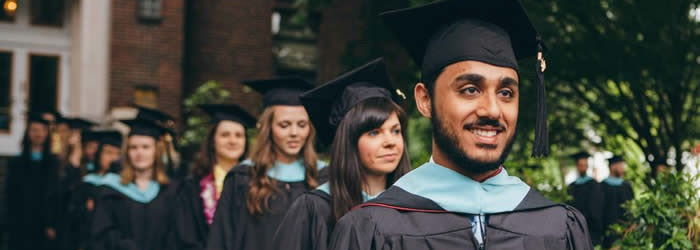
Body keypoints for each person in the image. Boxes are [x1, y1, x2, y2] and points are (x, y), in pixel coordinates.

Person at [329, 0, 593, 249]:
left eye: (506, 93)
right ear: (425, 100)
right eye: (469, 89)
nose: (492, 110)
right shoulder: (370, 228)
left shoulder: (558, 227)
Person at [272, 58, 412, 250]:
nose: (390, 142)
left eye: (395, 130)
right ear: (349, 142)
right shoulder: (315, 209)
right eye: (374, 132)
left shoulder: (412, 208)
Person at [207, 77, 327, 250]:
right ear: (268, 127)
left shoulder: (324, 177)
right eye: (284, 125)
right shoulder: (242, 178)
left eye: (302, 124)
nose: (294, 133)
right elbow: (221, 240)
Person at [174, 104, 256, 250]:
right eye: (225, 135)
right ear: (212, 141)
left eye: (239, 135)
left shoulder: (258, 182)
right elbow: (186, 236)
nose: (233, 141)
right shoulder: (192, 186)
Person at [90, 119, 178, 250]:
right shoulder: (111, 190)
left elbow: (176, 234)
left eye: (146, 147)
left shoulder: (171, 191)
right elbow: (102, 233)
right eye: (133, 147)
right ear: (127, 152)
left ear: (156, 151)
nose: (139, 153)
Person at [58, 130, 123, 250]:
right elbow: (71, 211)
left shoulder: (123, 185)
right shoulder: (87, 181)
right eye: (108, 153)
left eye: (117, 154)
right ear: (99, 154)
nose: (113, 158)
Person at [5, 113, 61, 250]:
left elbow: (55, 194)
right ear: (28, 133)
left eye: (42, 130)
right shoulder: (16, 163)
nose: (38, 134)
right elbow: (9, 193)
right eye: (34, 130)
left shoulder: (53, 163)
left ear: (47, 134)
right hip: (20, 221)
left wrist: (52, 223)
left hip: (43, 222)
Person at [567, 151, 603, 246]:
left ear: (587, 166)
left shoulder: (594, 184)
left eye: (584, 165)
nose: (582, 167)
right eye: (580, 165)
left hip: (591, 227)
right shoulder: (571, 186)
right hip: (575, 227)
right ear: (577, 166)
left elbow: (597, 208)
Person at [601, 155, 634, 248]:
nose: (623, 169)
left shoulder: (627, 186)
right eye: (620, 166)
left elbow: (631, 207)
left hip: (626, 230)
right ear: (612, 167)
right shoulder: (602, 186)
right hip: (609, 231)